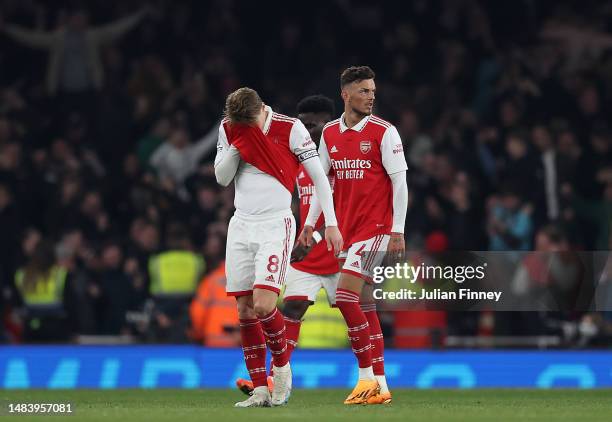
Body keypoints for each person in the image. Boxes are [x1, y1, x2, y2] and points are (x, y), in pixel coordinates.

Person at [215, 87, 342, 407]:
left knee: (263, 305)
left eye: (248, 124)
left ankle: (282, 369)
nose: (245, 129)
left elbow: (320, 179)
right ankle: (259, 389)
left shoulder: (290, 128)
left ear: (260, 110)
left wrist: (330, 224)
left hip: (275, 226)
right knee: (244, 310)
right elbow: (221, 177)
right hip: (240, 226)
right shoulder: (231, 127)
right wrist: (238, 143)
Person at [300, 66, 408, 404]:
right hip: (346, 231)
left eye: (373, 91)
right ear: (345, 94)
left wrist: (397, 230)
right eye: (364, 91)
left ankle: (365, 380)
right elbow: (321, 184)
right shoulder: (329, 133)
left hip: (376, 229)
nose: (371, 96)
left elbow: (400, 183)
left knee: (345, 297)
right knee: (365, 305)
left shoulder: (384, 132)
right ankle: (381, 385)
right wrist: (308, 224)